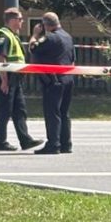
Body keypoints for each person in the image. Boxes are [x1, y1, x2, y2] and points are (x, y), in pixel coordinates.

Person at [0, 7, 42, 151]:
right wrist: (4, 81)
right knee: (5, 109)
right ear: (12, 20)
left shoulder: (13, 35)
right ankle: (0, 142)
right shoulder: (3, 34)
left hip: (15, 78)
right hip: (5, 76)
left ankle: (25, 140)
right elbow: (1, 58)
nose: (22, 22)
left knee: (20, 109)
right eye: (20, 19)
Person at [28, 12, 75, 155]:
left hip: (54, 80)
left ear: (45, 25)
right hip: (68, 78)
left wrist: (35, 35)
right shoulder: (68, 37)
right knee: (64, 113)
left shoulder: (51, 38)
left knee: (52, 112)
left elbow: (33, 48)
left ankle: (53, 144)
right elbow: (72, 58)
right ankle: (66, 144)